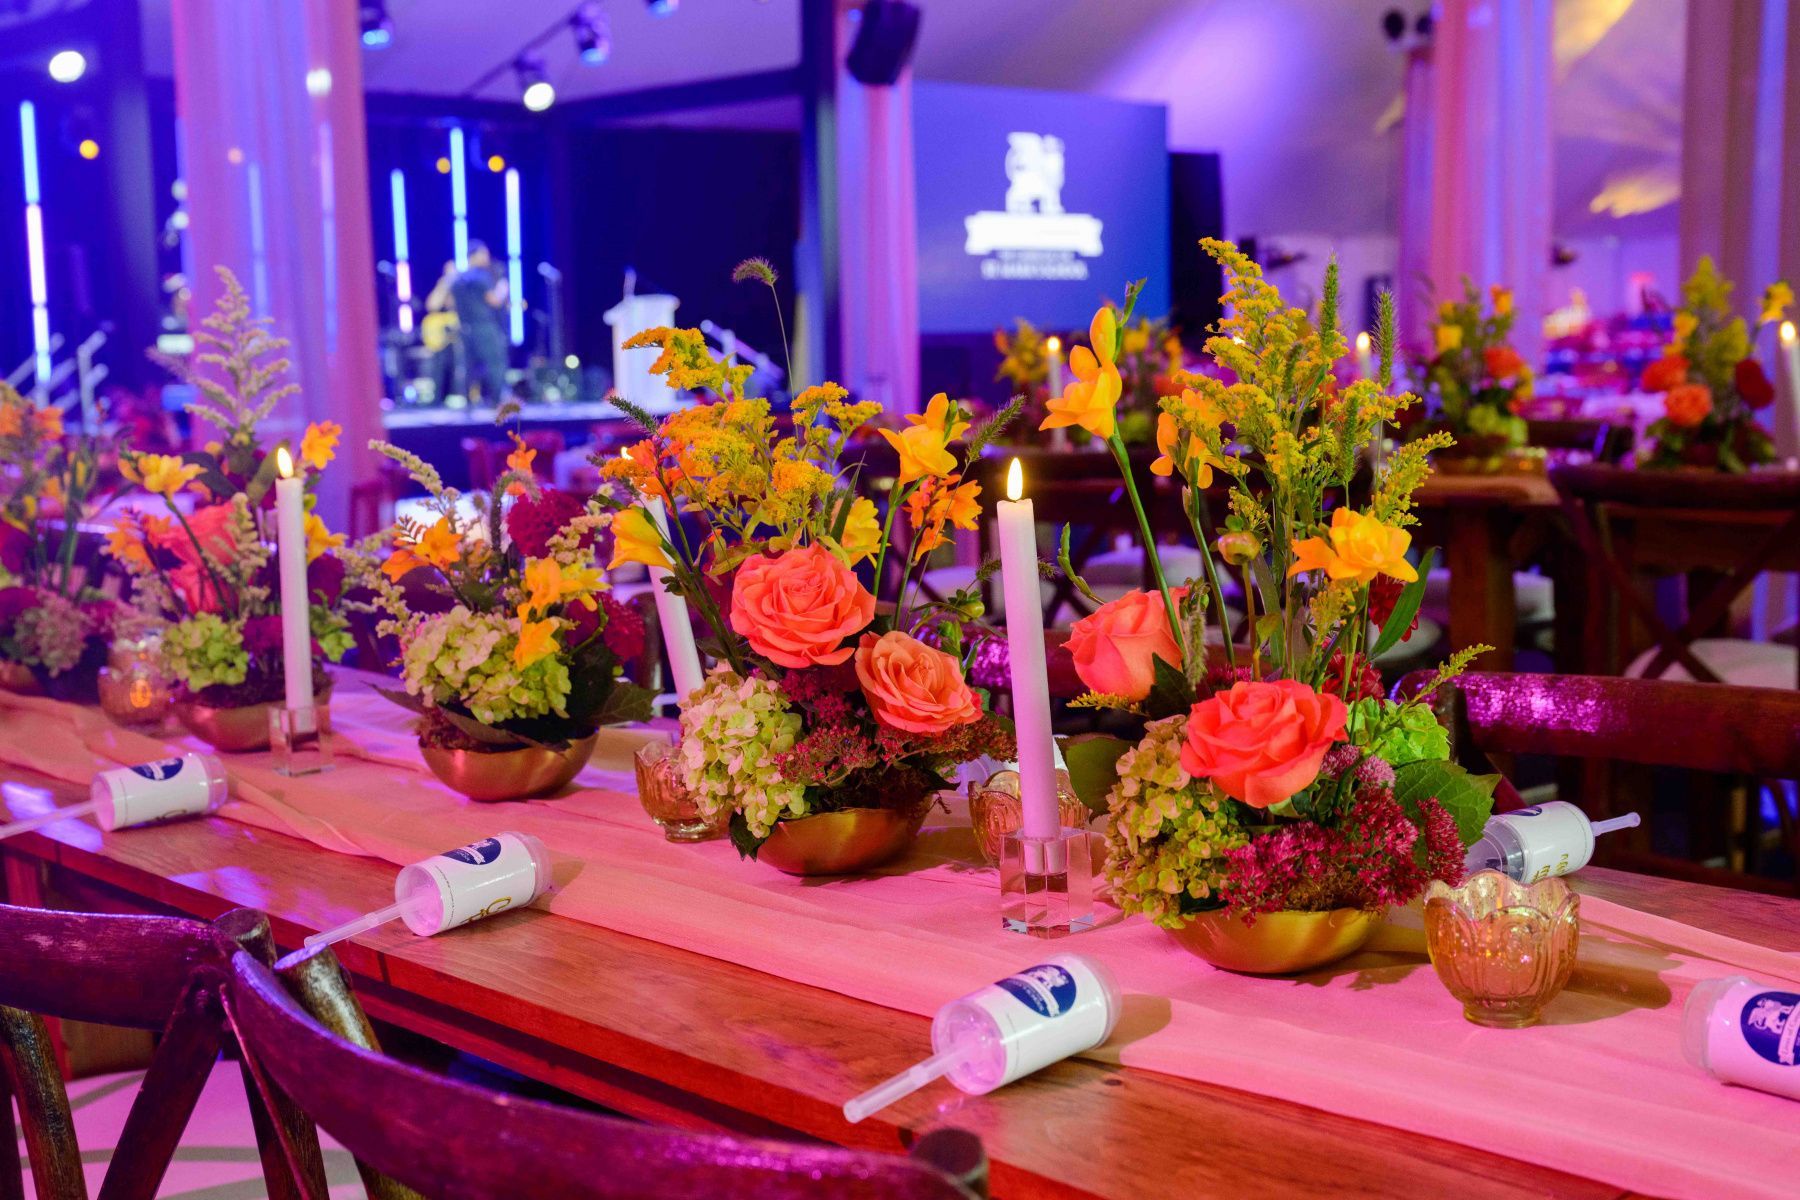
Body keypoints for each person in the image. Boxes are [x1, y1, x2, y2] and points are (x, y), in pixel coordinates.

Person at [450, 242, 510, 404]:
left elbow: (452, 304)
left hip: (465, 328)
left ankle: (468, 402)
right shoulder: (482, 277)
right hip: (485, 326)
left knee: (469, 367)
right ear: (474, 256)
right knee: (495, 364)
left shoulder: (457, 280)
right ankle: (498, 401)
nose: (487, 258)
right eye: (484, 254)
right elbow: (494, 301)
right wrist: (503, 289)